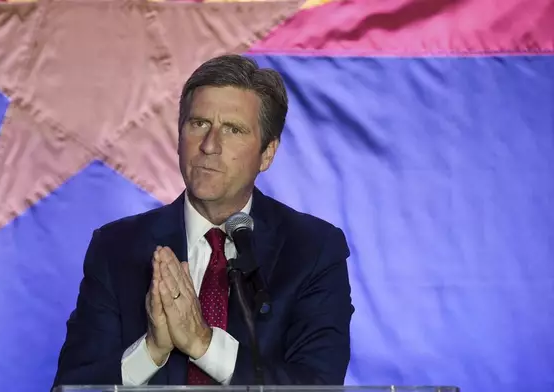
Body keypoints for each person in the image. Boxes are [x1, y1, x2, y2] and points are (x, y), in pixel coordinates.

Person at [52, 54, 354, 388]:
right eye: (198, 124)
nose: (210, 145)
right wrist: (151, 351)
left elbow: (318, 383)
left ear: (267, 153)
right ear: (179, 137)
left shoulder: (312, 249)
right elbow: (71, 386)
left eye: (233, 129)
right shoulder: (116, 248)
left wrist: (202, 343)